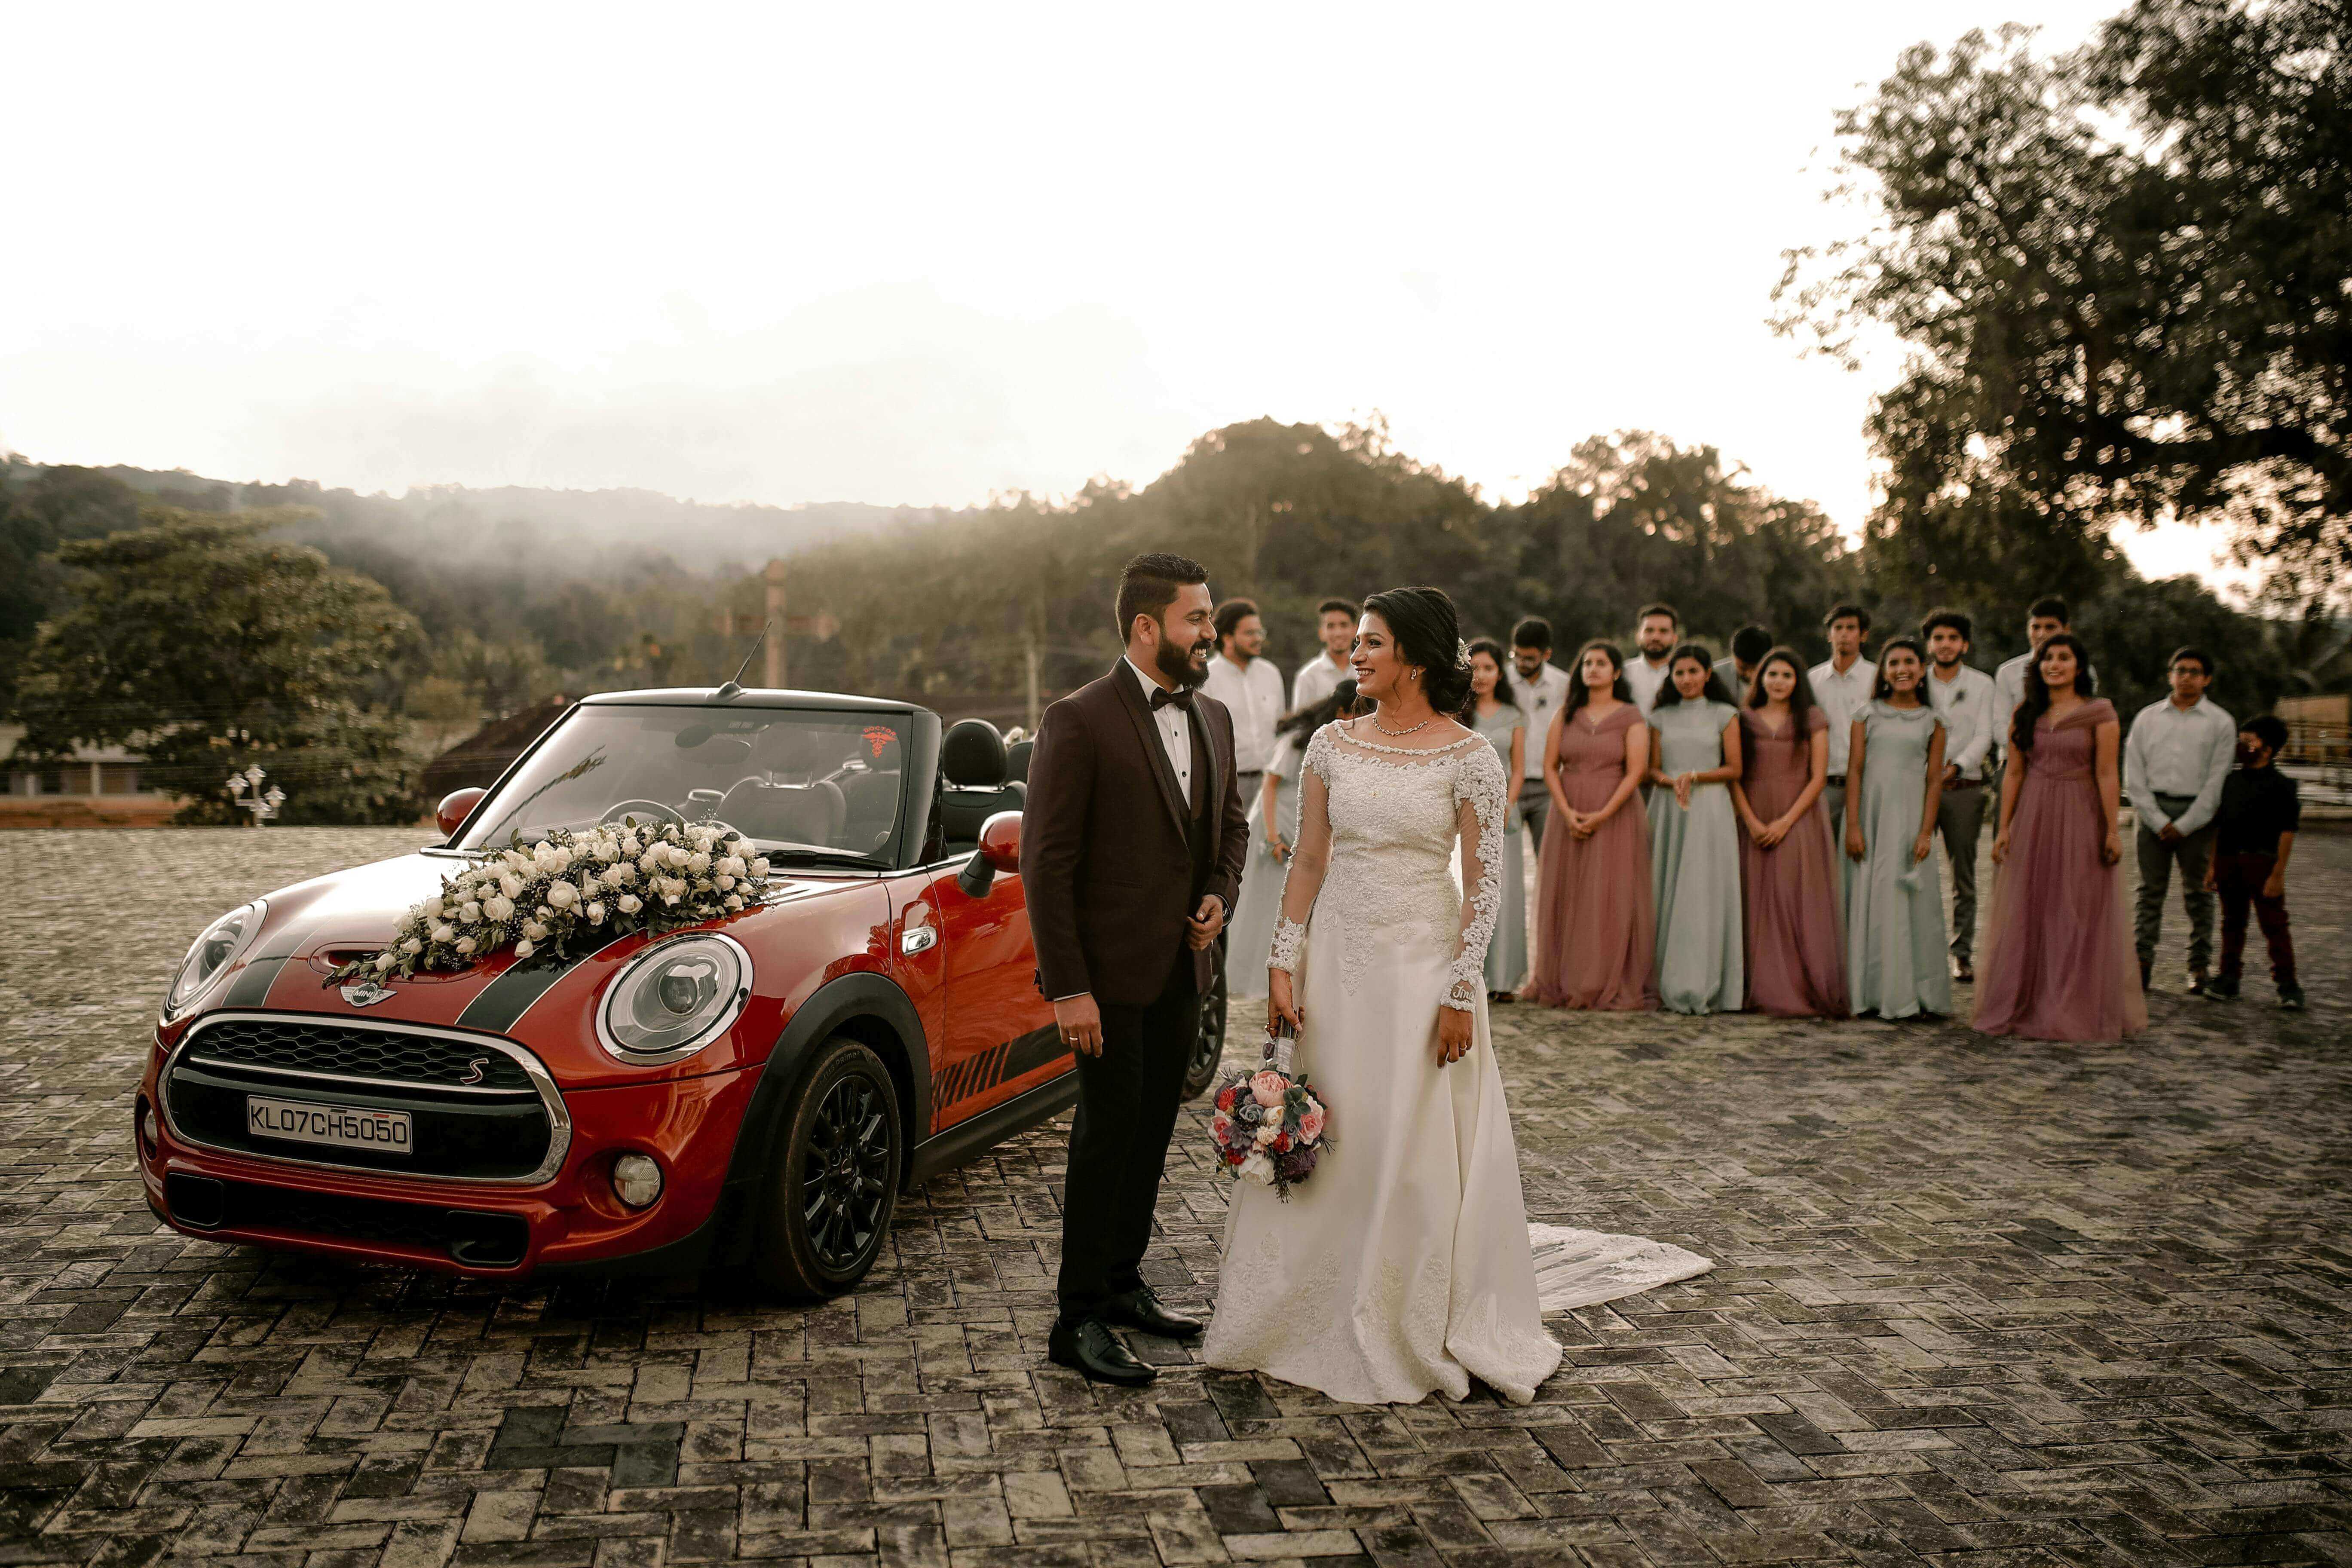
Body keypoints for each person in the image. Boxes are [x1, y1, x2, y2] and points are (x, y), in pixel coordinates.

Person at [1203, 588, 1709, 1406]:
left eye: (1372, 644)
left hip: (1423, 967)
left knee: (1408, 1133)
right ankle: (1307, 1298)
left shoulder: (1470, 755)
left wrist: (1459, 986)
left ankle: (1406, 1306)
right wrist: (1281, 961)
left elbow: (1483, 882)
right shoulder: (1331, 743)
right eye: (1356, 643)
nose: (1356, 656)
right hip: (1337, 959)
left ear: (1416, 656)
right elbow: (1306, 861)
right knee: (1337, 1122)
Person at [1022, 552, 1250, 1386]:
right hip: (1106, 984)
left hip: (1183, 976)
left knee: (1152, 1135)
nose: (1209, 633)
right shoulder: (1077, 719)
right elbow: (1046, 865)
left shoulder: (1217, 719)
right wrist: (1070, 985)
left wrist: (1221, 897)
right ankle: (1076, 1318)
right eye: (1197, 618)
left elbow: (1232, 832)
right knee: (1105, 1139)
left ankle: (1123, 1286)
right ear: (1147, 626)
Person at [1973, 633, 2147, 1041]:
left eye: (2064, 658)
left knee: (2075, 908)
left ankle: (2071, 1004)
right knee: (2030, 905)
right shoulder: (2025, 713)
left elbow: (2107, 773)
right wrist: (2004, 827)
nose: (2055, 664)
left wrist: (2111, 828)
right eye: (2047, 658)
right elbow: (2014, 773)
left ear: (2079, 667)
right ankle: (2026, 1001)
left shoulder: (2100, 713)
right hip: (2033, 814)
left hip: (2080, 813)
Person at [1525, 640, 1658, 1011]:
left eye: (1601, 663)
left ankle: (1604, 977)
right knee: (1568, 892)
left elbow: (1636, 772)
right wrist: (1567, 812)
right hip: (1567, 811)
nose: (1593, 669)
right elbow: (1551, 766)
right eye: (1587, 663)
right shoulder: (1565, 714)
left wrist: (1603, 814)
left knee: (1609, 894)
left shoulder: (1631, 716)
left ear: (1617, 672)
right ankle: (1563, 976)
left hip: (1616, 813)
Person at [1225, 680, 1364, 1001]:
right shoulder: (1297, 740)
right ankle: (1255, 978)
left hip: (1306, 833)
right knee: (1266, 907)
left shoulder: (1346, 744)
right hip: (1275, 830)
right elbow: (1269, 788)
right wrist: (1273, 837)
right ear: (1342, 711)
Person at [1731, 649, 1849, 1018]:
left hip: (1798, 816)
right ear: (1760, 678)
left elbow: (1818, 777)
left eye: (1787, 675)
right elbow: (1733, 773)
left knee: (1792, 897)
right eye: (1772, 674)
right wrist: (1750, 820)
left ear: (1798, 681)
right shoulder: (1743, 719)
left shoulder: (1812, 718)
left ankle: (1798, 983)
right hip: (1753, 811)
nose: (1779, 681)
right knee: (1754, 898)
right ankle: (1757, 983)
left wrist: (1786, 821)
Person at [1842, 637, 1952, 1019]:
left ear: (1922, 670)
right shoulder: (1865, 715)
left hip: (1910, 818)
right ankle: (1872, 993)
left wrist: (1926, 831)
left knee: (1913, 901)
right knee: (1873, 896)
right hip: (1871, 816)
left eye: (1909, 662)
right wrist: (1853, 824)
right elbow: (1855, 770)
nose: (1902, 669)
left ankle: (1916, 993)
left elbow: (1935, 779)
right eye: (1894, 663)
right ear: (1883, 672)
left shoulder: (1934, 721)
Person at [2123, 647, 2235, 994]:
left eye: (2195, 671)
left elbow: (2218, 781)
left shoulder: (2220, 723)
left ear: (2207, 679)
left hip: (2198, 818)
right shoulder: (2148, 718)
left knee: (2199, 894)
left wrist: (2186, 824)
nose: (2187, 677)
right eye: (2180, 670)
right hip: (2152, 811)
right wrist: (2156, 820)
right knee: (2149, 892)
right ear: (2170, 675)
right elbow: (2133, 775)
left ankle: (2198, 967)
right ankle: (2141, 964)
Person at [1646, 645, 1744, 1014]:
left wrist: (1696, 777)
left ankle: (1704, 981)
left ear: (1707, 674)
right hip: (1670, 807)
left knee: (1704, 891)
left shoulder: (1726, 714)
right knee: (1667, 886)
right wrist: (1671, 782)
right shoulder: (1659, 717)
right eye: (1680, 673)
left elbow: (1735, 768)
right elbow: (1652, 769)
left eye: (1693, 671)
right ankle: (1664, 977)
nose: (1686, 679)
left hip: (1711, 808)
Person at [2202, 714, 2303, 1010]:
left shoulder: (2283, 786)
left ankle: (2288, 985)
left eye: (2249, 740)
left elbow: (2288, 832)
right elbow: (2220, 826)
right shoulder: (2231, 781)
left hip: (2263, 861)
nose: (2242, 745)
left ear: (2268, 749)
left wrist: (2278, 874)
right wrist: (2212, 866)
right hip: (2229, 860)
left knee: (2274, 925)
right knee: (2232, 923)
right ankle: (2228, 978)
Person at [1920, 609, 1997, 983]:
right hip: (1918, 787)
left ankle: (1961, 953)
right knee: (1913, 866)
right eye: (1938, 638)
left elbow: (1985, 735)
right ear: (1929, 644)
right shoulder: (1915, 680)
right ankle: (1917, 951)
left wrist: (1955, 767)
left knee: (1962, 876)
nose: (1945, 644)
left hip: (1963, 787)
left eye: (1952, 638)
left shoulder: (1983, 684)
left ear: (1964, 644)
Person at [1464, 639, 1528, 1001]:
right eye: (1475, 668)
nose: (1482, 675)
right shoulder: (1456, 711)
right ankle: (1471, 974)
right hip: (1463, 813)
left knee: (1503, 891)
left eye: (1489, 668)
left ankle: (1503, 978)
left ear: (1501, 672)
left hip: (1505, 814)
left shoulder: (1515, 715)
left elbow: (1518, 768)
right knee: (1469, 891)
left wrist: (1505, 804)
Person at [1808, 606, 1877, 887]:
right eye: (1838, 629)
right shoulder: (1812, 680)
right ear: (1829, 635)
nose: (1844, 635)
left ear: (1863, 636)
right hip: (1825, 786)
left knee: (1864, 866)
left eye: (1851, 629)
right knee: (1822, 868)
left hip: (1868, 785)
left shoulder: (1877, 678)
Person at [1509, 618, 1572, 849]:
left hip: (1548, 786)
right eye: (1517, 656)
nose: (1522, 663)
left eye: (1529, 658)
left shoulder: (1563, 684)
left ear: (1546, 655)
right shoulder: (1502, 681)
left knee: (1548, 856)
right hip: (1508, 783)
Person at [1993, 597, 2095, 722]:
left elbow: (2087, 716)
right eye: (2036, 627)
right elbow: (2000, 722)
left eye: (2050, 627)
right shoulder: (2008, 673)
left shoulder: (2081, 669)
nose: (2042, 634)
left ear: (2066, 630)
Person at [1290, 598, 1358, 710]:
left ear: (1355, 630)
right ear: (1321, 633)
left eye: (1344, 625)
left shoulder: (1365, 671)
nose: (1338, 633)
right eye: (1331, 626)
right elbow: (1300, 724)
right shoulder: (1308, 676)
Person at [1622, 602, 1679, 712]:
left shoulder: (1687, 675)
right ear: (1638, 636)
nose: (1656, 637)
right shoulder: (1623, 673)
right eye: (1649, 631)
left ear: (1675, 638)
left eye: (1663, 631)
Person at [1713, 624, 1772, 705]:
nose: (1749, 675)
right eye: (1743, 668)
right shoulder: (1714, 676)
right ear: (1733, 656)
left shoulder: (1783, 678)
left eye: (1756, 668)